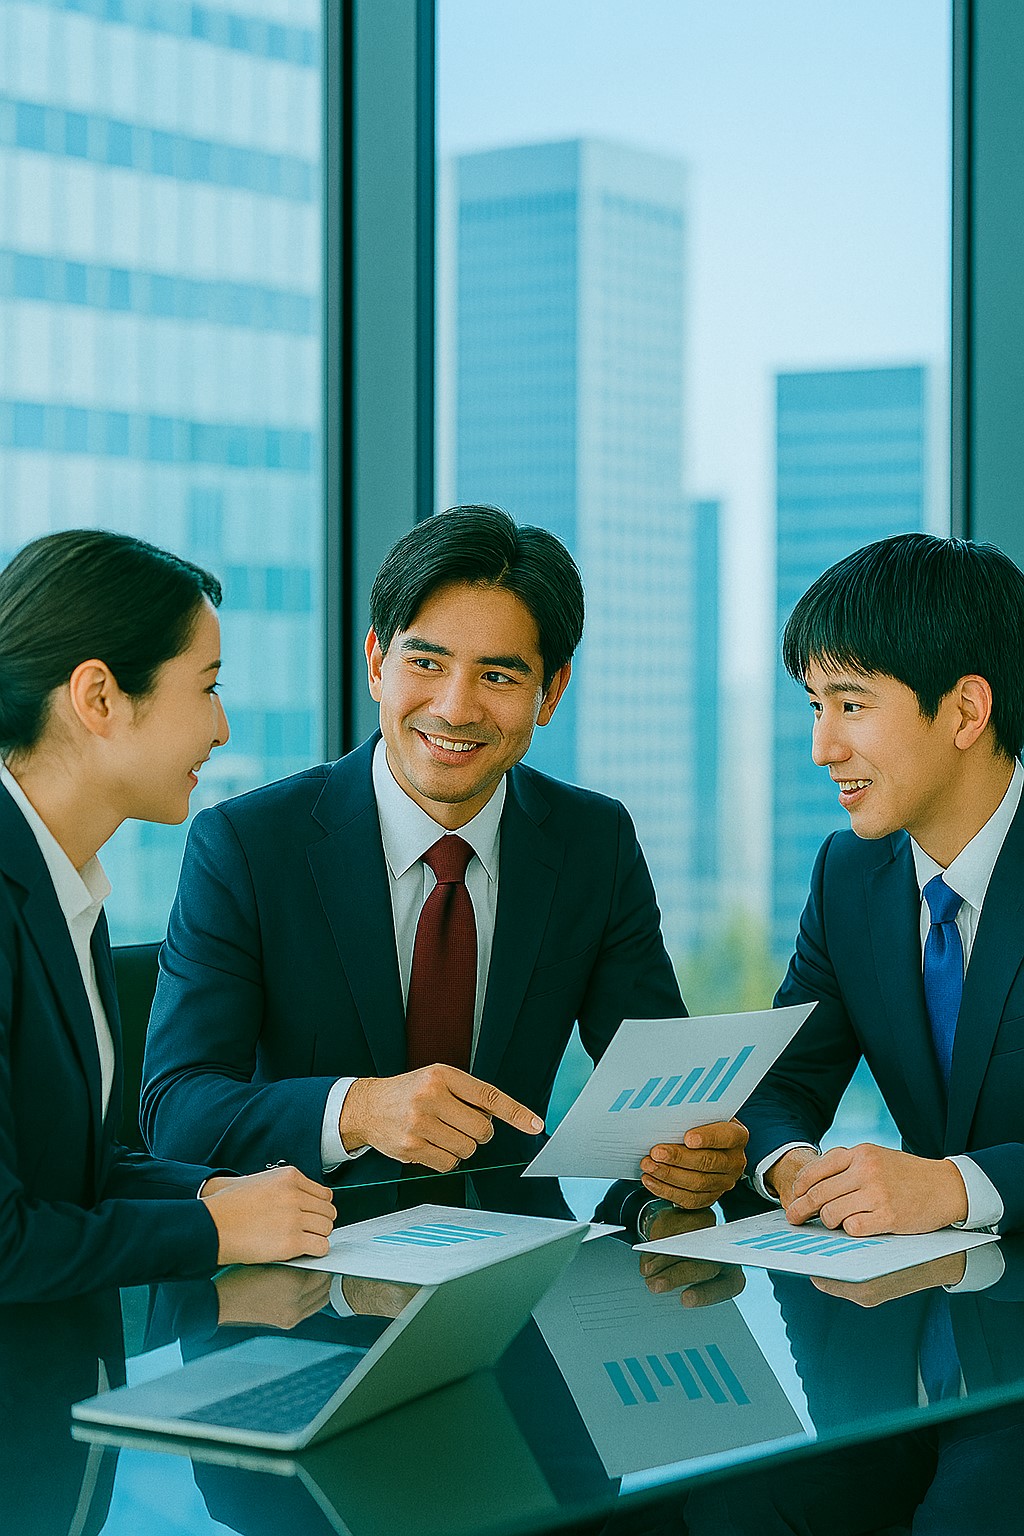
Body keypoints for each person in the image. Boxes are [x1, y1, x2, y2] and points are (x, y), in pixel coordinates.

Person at [141, 505, 747, 1222]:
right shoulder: (246, 844)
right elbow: (175, 1110)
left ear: (550, 693)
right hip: (304, 1263)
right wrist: (359, 1109)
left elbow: (659, 1089)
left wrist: (691, 1156)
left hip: (516, 1268)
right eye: (426, 664)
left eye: (498, 676)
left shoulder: (593, 841)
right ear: (375, 663)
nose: (455, 709)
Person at [0, 529, 336, 1303]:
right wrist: (216, 1231)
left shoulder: (66, 887)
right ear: (100, 698)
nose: (221, 729)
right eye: (208, 686)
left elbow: (72, 1173)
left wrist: (216, 1194)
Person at [742, 532, 1024, 1236]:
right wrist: (798, 1170)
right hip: (926, 1308)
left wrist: (955, 1189)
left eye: (851, 705)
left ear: (965, 711)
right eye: (815, 706)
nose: (823, 749)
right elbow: (784, 1081)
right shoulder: (850, 877)